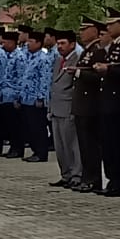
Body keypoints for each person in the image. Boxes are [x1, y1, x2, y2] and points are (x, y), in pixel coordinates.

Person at [96, 7, 120, 196]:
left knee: (117, 145)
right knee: (108, 145)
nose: (108, 27)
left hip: (118, 103)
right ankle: (112, 179)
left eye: (112, 24)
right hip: (107, 102)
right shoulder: (112, 45)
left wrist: (108, 70)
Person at [72, 17, 106, 193]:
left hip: (90, 105)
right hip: (81, 104)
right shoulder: (87, 50)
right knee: (84, 145)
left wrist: (77, 72)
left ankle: (93, 179)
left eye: (85, 29)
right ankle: (87, 177)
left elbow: (98, 76)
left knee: (90, 145)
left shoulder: (98, 50)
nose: (81, 32)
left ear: (94, 30)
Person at [49, 29, 83, 188]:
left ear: (73, 44)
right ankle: (65, 174)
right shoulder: (58, 60)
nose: (59, 47)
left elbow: (76, 87)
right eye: (58, 43)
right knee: (60, 145)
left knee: (72, 144)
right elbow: (54, 85)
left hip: (68, 107)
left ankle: (76, 175)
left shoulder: (78, 59)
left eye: (63, 43)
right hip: (56, 108)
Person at [20, 31, 51, 163]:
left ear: (39, 43)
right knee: (30, 127)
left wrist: (41, 97)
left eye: (31, 42)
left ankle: (41, 152)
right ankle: (35, 151)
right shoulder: (29, 57)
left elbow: (45, 79)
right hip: (26, 97)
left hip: (36, 99)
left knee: (38, 127)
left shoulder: (43, 59)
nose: (28, 44)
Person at [0, 31, 25, 158]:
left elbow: (21, 78)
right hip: (5, 95)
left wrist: (17, 97)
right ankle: (12, 148)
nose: (3, 45)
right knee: (9, 125)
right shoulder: (7, 55)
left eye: (5, 42)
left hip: (13, 95)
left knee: (16, 125)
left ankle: (17, 149)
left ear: (12, 42)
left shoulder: (19, 56)